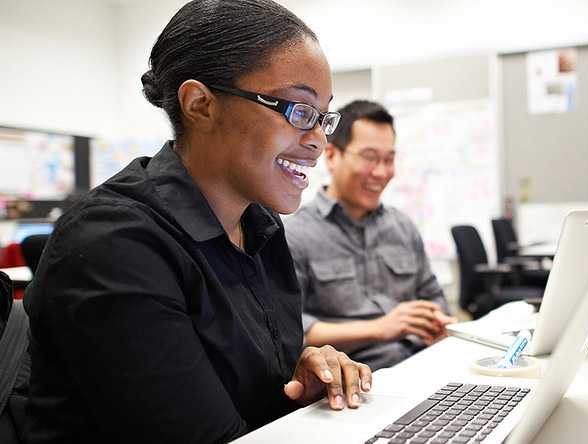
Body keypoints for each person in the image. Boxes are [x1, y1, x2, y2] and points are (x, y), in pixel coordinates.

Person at [23, 1, 372, 442]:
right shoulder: (114, 244)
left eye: (323, 117)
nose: (319, 140)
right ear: (200, 104)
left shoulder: (259, 226)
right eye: (299, 111)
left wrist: (301, 388)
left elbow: (252, 401)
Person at [283, 100, 456, 371]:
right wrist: (377, 329)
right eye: (370, 158)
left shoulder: (402, 227)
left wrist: (437, 320)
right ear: (331, 156)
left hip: (423, 364)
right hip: (359, 379)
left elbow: (434, 295)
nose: (381, 172)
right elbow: (292, 330)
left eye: (389, 159)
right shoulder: (295, 235)